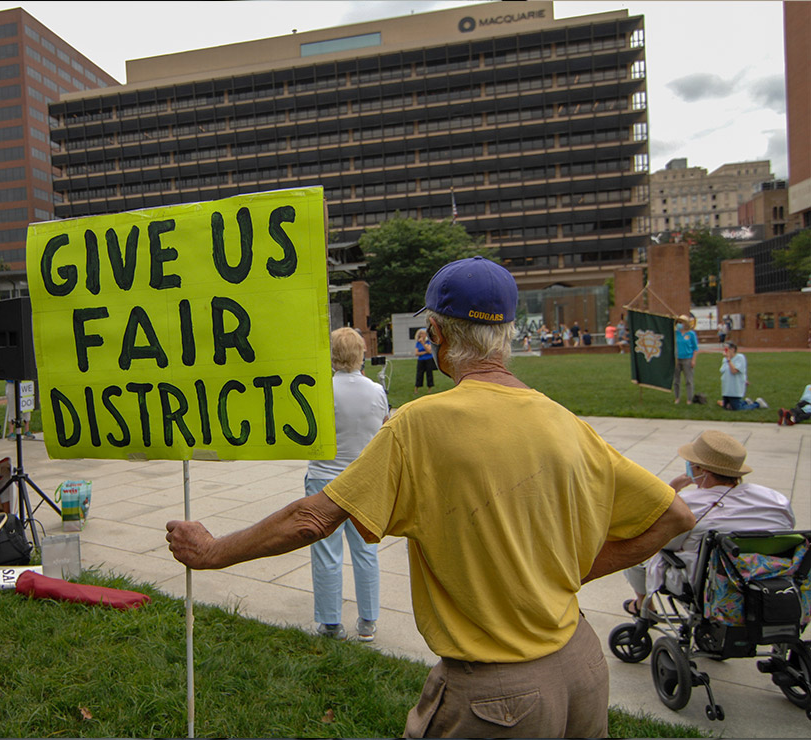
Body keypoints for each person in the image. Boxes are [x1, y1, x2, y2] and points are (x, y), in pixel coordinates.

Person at [166, 256, 694, 738]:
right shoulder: (566, 422)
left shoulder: (420, 425)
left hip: (497, 697)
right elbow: (674, 514)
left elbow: (312, 519)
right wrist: (574, 571)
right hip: (581, 666)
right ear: (508, 335)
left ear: (435, 333)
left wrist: (213, 552)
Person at [622, 430, 794, 615]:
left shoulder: (690, 503)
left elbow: (662, 540)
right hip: (767, 575)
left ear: (700, 470)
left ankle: (643, 607)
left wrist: (671, 491)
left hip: (708, 582)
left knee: (636, 552)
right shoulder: (775, 500)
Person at [307, 328, 388, 641]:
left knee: (327, 551)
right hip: (363, 478)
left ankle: (330, 622)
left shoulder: (321, 390)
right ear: (361, 354)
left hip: (324, 476)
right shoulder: (376, 391)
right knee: (366, 550)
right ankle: (368, 619)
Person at [717, 341, 767, 411]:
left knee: (737, 408)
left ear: (733, 349)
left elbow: (734, 371)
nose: (725, 352)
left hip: (735, 389)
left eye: (727, 349)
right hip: (726, 389)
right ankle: (746, 402)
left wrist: (728, 360)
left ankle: (758, 403)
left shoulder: (740, 358)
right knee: (727, 407)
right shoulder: (724, 360)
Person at [672, 314, 699, 404]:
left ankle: (689, 399)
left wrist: (693, 360)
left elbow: (695, 348)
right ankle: (677, 398)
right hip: (677, 359)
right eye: (678, 322)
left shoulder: (691, 334)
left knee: (688, 380)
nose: (679, 324)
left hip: (687, 359)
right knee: (676, 380)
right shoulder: (676, 333)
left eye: (681, 322)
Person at [412, 328, 434, 397]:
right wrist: (425, 352)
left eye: (423, 334)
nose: (422, 335)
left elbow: (430, 351)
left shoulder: (428, 342)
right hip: (421, 360)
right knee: (419, 374)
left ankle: (429, 389)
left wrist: (423, 343)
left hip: (428, 359)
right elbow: (416, 353)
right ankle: (416, 389)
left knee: (429, 373)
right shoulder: (418, 343)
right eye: (421, 334)